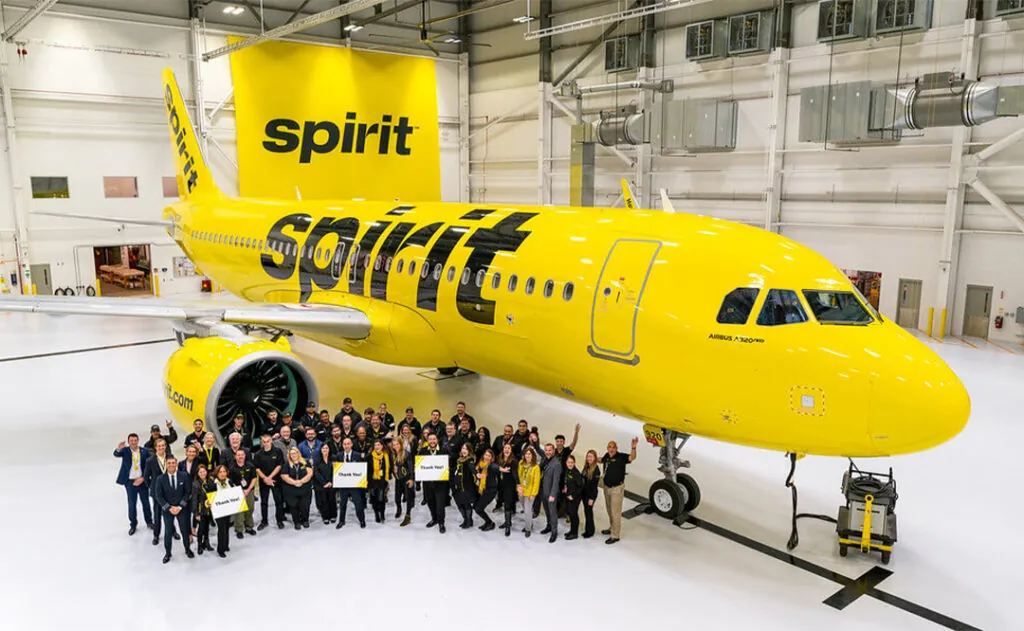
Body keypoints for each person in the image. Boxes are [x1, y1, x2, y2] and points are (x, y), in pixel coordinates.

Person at [153, 455, 193, 564]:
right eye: (169, 463)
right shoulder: (160, 479)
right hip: (168, 510)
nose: (171, 465)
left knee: (185, 531)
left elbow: (188, 493)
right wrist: (169, 508)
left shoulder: (184, 476)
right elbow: (159, 496)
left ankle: (187, 549)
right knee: (168, 532)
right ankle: (168, 553)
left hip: (182, 509)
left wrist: (180, 506)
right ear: (166, 464)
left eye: (173, 463)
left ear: (176, 463)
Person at [113, 433, 153, 535]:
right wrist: (118, 448)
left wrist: (143, 478)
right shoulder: (125, 451)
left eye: (135, 440)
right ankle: (133, 524)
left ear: (138, 440)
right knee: (132, 504)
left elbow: (149, 466)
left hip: (142, 481)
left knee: (146, 503)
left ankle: (149, 521)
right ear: (129, 441)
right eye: (131, 441)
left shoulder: (144, 451)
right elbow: (116, 454)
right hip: (130, 482)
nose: (133, 443)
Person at [601, 438, 638, 544]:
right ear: (607, 448)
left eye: (613, 447)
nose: (611, 449)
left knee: (615, 512)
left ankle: (615, 535)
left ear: (616, 448)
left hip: (617, 489)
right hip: (607, 487)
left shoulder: (621, 457)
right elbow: (601, 460)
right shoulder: (607, 456)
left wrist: (633, 447)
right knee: (609, 510)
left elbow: (632, 457)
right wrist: (591, 457)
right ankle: (612, 528)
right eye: (609, 447)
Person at [143, 438, 177, 546]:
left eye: (163, 445)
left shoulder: (170, 457)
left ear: (166, 446)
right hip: (157, 493)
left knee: (170, 512)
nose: (161, 447)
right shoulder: (150, 460)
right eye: (159, 446)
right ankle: (156, 535)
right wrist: (153, 487)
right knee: (157, 514)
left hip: (169, 491)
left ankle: (173, 531)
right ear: (155, 447)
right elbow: (146, 476)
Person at [254, 434, 286, 530]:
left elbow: (279, 465)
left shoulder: (278, 451)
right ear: (261, 442)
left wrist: (270, 478)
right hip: (263, 481)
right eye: (264, 441)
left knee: (278, 501)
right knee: (264, 502)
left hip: (276, 479)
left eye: (268, 441)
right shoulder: (258, 454)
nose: (266, 443)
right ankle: (264, 521)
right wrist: (265, 479)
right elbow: (257, 468)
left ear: (271, 441)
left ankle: (279, 520)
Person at [334, 437, 366, 529]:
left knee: (358, 504)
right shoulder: (339, 455)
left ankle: (362, 520)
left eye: (348, 444)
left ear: (351, 444)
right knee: (342, 504)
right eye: (345, 444)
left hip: (355, 485)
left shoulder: (358, 455)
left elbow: (362, 470)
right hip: (343, 485)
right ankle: (341, 521)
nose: (347, 446)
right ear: (342, 445)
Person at [418, 432, 447, 533]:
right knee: (430, 503)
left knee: (440, 505)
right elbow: (419, 465)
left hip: (440, 484)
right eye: (430, 439)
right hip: (427, 483)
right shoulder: (422, 451)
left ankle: (441, 523)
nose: (432, 441)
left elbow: (448, 465)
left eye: (434, 439)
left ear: (437, 440)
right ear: (427, 441)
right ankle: (434, 519)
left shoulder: (443, 451)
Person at [280, 447, 313, 529]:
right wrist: (294, 482)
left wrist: (301, 481)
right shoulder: (286, 464)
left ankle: (305, 520)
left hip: (305, 489)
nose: (293, 455)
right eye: (291, 454)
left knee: (305, 506)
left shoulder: (306, 462)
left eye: (295, 453)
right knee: (293, 506)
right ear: (289, 455)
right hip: (291, 490)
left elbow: (310, 473)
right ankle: (297, 522)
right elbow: (284, 476)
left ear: (298, 453)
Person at [229, 448, 259, 539]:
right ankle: (239, 529)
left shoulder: (250, 466)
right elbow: (231, 481)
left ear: (245, 456)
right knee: (239, 511)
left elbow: (254, 478)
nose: (240, 456)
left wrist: (248, 489)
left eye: (242, 455)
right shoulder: (232, 468)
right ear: (235, 457)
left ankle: (249, 527)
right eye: (238, 455)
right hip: (238, 492)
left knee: (250, 508)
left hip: (249, 491)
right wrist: (240, 491)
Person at [207, 465, 235, 558]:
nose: (222, 474)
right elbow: (209, 497)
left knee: (227, 527)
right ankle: (220, 549)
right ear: (217, 473)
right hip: (218, 511)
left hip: (228, 509)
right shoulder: (213, 484)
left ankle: (226, 545)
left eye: (224, 471)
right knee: (221, 529)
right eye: (220, 472)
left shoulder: (229, 481)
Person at [517, 446, 540, 538]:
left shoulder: (536, 467)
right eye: (526, 453)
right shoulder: (521, 463)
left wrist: (533, 494)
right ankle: (530, 523)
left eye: (529, 454)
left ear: (533, 455)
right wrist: (518, 488)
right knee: (526, 510)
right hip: (521, 491)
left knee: (527, 511)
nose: (527, 455)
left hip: (530, 493)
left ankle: (528, 529)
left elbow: (536, 482)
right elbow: (518, 476)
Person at [539, 443, 561, 543]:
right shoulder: (544, 460)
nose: (547, 452)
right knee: (547, 511)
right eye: (546, 450)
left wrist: (553, 494)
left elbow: (556, 481)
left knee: (552, 513)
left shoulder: (557, 464)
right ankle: (548, 526)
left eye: (549, 450)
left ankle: (554, 532)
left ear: (553, 451)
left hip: (551, 493)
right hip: (543, 490)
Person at [190, 464, 214, 555]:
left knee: (207, 527)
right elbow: (194, 500)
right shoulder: (195, 484)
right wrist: (196, 513)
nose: (203, 473)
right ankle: (200, 544)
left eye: (204, 471)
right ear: (198, 473)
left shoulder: (210, 481)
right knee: (201, 529)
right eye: (200, 472)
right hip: (201, 510)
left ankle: (206, 542)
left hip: (209, 510)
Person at [473, 448, 499, 532]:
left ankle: (490, 523)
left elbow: (497, 468)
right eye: (486, 455)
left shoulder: (492, 466)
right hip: (481, 489)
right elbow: (475, 471)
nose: (487, 457)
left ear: (492, 458)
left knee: (478, 509)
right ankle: (487, 522)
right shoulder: (480, 464)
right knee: (477, 507)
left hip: (490, 491)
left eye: (489, 456)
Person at [453, 442, 477, 529]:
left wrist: (476, 473)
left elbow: (472, 467)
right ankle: (465, 519)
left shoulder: (469, 460)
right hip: (459, 486)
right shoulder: (459, 459)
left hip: (466, 487)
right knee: (460, 504)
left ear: (469, 451)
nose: (464, 450)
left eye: (466, 449)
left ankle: (469, 520)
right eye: (463, 448)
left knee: (466, 504)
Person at [391, 437, 415, 526]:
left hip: (406, 479)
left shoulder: (406, 454)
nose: (395, 446)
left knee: (408, 498)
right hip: (398, 480)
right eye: (394, 445)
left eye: (397, 444)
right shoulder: (392, 454)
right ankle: (399, 508)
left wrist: (411, 479)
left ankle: (408, 516)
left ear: (401, 444)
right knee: (397, 498)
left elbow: (411, 467)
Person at [496, 443, 519, 536]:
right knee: (504, 504)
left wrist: (518, 484)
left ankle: (508, 525)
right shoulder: (500, 459)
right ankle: (506, 521)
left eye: (509, 448)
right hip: (501, 486)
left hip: (509, 487)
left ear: (511, 450)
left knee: (508, 505)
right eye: (505, 448)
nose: (507, 449)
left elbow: (515, 474)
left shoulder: (513, 461)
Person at [367, 439, 391, 523]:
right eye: (375, 445)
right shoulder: (370, 456)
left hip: (382, 481)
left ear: (382, 446)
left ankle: (382, 514)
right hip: (372, 481)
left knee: (381, 499)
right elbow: (367, 469)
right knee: (374, 500)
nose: (377, 447)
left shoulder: (386, 455)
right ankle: (376, 514)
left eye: (378, 445)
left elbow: (389, 467)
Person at [313, 443, 337, 525]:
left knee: (332, 500)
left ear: (329, 449)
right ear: (320, 450)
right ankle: (325, 517)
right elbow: (316, 473)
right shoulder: (316, 459)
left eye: (326, 448)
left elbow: (336, 471)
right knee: (324, 501)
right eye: (323, 448)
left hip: (332, 483)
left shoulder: (334, 458)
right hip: (321, 484)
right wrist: (324, 483)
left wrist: (331, 482)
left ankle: (333, 515)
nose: (325, 450)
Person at [562, 454, 584, 540]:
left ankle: (574, 533)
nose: (570, 464)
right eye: (568, 462)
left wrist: (573, 496)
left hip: (574, 498)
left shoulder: (576, 473)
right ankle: (571, 531)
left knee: (574, 515)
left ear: (574, 463)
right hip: (568, 496)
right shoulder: (567, 470)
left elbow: (580, 487)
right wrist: (564, 489)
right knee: (570, 514)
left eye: (572, 462)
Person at [581, 450, 601, 539]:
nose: (589, 458)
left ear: (595, 458)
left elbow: (594, 486)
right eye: (588, 456)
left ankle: (590, 531)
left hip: (590, 495)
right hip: (584, 493)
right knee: (586, 511)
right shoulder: (586, 467)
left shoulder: (596, 470)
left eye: (591, 457)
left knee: (589, 512)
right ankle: (587, 529)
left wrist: (591, 498)